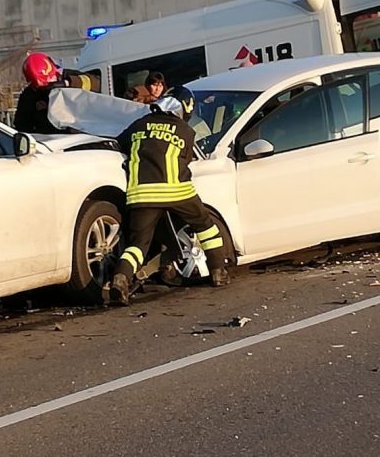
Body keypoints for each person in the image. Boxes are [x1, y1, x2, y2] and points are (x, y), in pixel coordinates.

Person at [109, 87, 231, 306]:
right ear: (184, 109)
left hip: (141, 194)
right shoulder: (185, 131)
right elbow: (186, 158)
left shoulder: (139, 125)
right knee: (205, 226)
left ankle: (120, 278)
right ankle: (218, 271)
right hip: (177, 191)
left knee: (138, 245)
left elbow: (120, 145)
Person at [13, 51, 99, 134]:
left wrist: (68, 83)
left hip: (87, 134)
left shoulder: (68, 76)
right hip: (55, 142)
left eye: (49, 82)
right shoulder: (30, 95)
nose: (47, 87)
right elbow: (22, 126)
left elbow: (97, 83)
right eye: (41, 86)